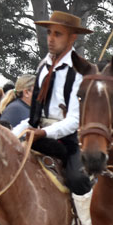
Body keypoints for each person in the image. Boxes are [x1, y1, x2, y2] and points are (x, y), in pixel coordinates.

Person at [17, 11, 94, 196]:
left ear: (72, 38)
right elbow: (35, 114)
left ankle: (87, 223)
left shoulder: (80, 70)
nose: (51, 39)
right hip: (39, 132)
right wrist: (10, 133)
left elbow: (75, 120)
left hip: (71, 138)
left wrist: (43, 132)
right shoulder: (43, 66)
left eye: (57, 34)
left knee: (78, 180)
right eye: (49, 33)